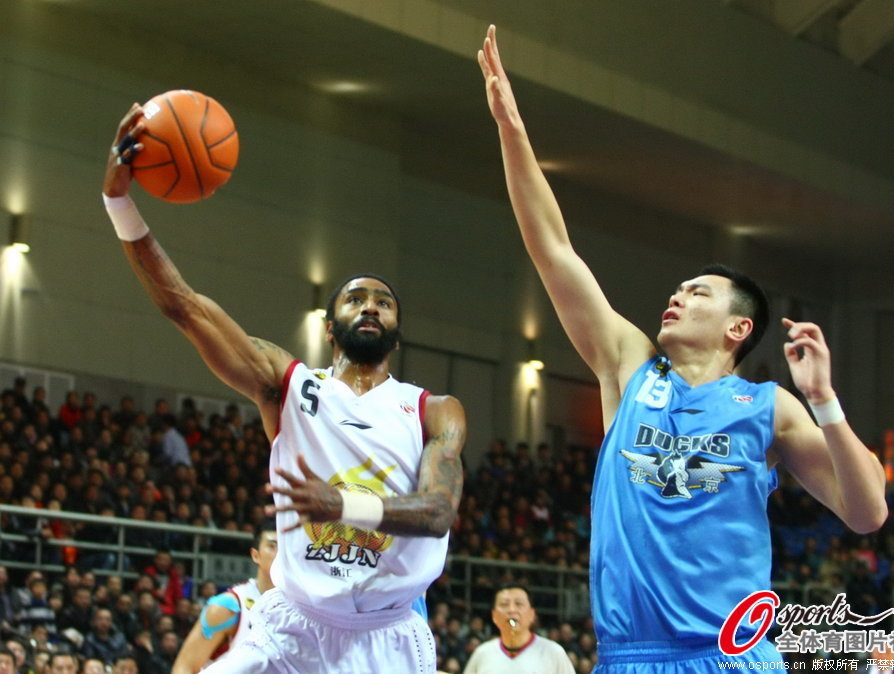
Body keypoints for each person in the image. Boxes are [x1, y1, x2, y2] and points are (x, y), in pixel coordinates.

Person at [478, 25, 888, 672]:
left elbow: (866, 513)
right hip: (632, 655)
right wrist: (512, 130)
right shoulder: (629, 367)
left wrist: (824, 400)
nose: (678, 296)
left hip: (732, 658)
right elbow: (554, 250)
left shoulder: (767, 405)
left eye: (698, 293)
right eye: (678, 289)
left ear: (738, 329)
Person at [102, 105, 466, 674]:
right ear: (329, 326)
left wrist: (340, 504)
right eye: (355, 297)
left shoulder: (432, 410)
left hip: (384, 636)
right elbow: (185, 305)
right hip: (292, 626)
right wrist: (119, 202)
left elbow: (440, 510)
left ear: (396, 333)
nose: (370, 305)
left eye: (384, 301)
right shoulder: (288, 383)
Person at [171, 522, 277, 673]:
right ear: (255, 555)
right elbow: (184, 667)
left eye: (285, 548)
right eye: (272, 546)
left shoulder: (303, 608)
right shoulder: (228, 605)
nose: (280, 554)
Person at [463, 586, 574, 674]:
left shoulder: (553, 652)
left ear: (532, 614)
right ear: (494, 616)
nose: (511, 610)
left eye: (519, 604)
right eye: (504, 604)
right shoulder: (482, 653)